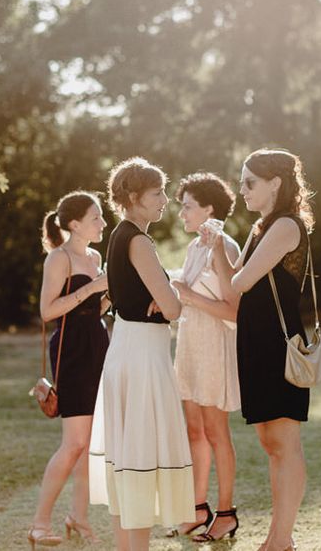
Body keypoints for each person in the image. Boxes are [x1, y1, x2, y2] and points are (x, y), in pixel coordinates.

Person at [211, 149, 314, 551]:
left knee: (285, 443)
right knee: (269, 443)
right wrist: (218, 246)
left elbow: (241, 282)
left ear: (276, 183)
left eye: (249, 182)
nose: (242, 190)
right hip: (254, 341)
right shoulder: (260, 228)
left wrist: (227, 259)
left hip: (279, 343)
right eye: (241, 182)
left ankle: (281, 539)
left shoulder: (287, 226)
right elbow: (230, 287)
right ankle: (277, 537)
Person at [101, 157, 194, 551]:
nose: (165, 200)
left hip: (128, 348)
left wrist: (164, 293)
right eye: (157, 194)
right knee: (140, 457)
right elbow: (172, 309)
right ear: (135, 197)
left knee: (130, 460)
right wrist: (169, 294)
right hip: (141, 356)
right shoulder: (138, 240)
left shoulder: (120, 236)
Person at [28, 192, 110, 548]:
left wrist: (109, 296)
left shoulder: (94, 255)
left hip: (99, 344)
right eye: (96, 217)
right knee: (74, 442)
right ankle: (38, 523)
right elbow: (48, 311)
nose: (103, 223)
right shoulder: (58, 259)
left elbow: (96, 308)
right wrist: (94, 287)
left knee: (90, 443)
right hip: (73, 350)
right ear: (75, 224)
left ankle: (78, 517)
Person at [169, 173, 241, 541]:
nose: (181, 213)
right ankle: (198, 509)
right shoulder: (195, 247)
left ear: (209, 209)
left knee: (216, 431)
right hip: (190, 344)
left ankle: (226, 514)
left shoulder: (224, 247)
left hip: (214, 346)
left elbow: (234, 310)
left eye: (187, 206)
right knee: (193, 430)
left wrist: (187, 295)